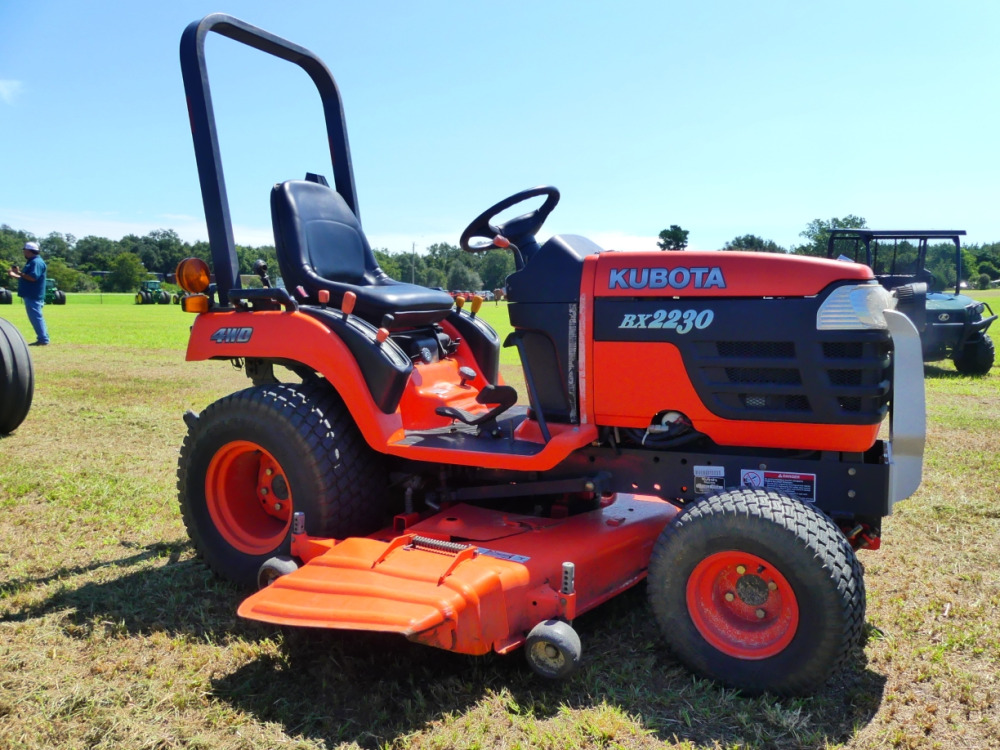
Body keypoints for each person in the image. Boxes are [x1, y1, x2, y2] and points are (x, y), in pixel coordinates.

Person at [8, 241, 49, 345]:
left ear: (29, 251)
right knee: (36, 316)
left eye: (24, 251)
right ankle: (43, 338)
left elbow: (32, 277)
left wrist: (19, 273)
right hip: (32, 294)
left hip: (33, 295)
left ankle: (43, 339)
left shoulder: (36, 262)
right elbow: (26, 278)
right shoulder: (33, 261)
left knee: (36, 317)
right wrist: (15, 275)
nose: (24, 253)